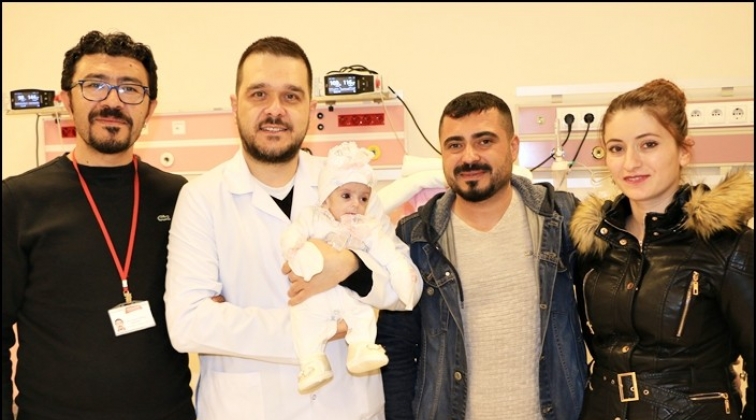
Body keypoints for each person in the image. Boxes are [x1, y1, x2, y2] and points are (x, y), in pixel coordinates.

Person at [163, 36, 421, 420]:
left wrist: (352, 268)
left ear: (310, 109)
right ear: (235, 106)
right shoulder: (201, 198)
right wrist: (325, 325)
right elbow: (188, 324)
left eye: (291, 96)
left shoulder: (349, 186)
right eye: (259, 94)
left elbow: (405, 290)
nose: (275, 109)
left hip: (348, 407)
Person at [1, 31, 194, 420]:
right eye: (95, 85)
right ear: (66, 98)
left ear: (150, 107)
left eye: (130, 89)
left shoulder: (180, 197)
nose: (112, 101)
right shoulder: (19, 200)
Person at [376, 91, 588, 420]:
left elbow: (607, 323)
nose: (469, 157)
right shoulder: (416, 237)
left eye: (484, 141)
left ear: (513, 147)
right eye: (455, 145)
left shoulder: (561, 219)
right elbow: (398, 349)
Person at [569, 78, 753, 420]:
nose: (630, 163)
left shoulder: (726, 245)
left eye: (649, 144)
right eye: (616, 148)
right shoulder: (595, 244)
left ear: (684, 150)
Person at [281, 141, 419, 393]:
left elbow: (391, 259)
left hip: (349, 297)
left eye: (363, 198)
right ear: (326, 199)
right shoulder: (313, 216)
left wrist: (350, 265)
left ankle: (362, 347)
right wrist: (296, 248)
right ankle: (312, 363)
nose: (356, 204)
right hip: (311, 301)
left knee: (363, 313)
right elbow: (295, 234)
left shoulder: (367, 225)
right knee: (303, 320)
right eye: (346, 196)